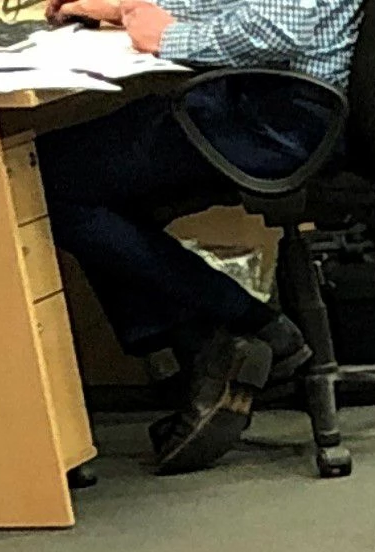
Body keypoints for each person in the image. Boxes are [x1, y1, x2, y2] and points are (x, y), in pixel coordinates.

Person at [35, 0, 348, 472]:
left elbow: (277, 26)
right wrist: (127, 7)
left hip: (278, 121)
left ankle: (240, 328)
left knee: (53, 179)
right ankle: (210, 349)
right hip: (281, 105)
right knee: (102, 184)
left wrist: (168, 37)